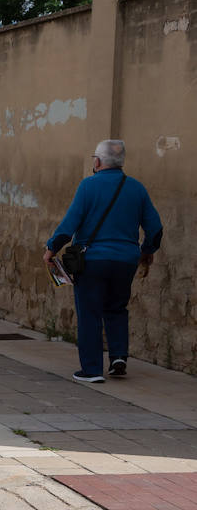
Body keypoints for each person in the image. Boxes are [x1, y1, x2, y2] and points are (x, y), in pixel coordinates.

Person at [43, 139, 162, 383]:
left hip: (93, 259)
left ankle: (92, 370)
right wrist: (147, 250)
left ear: (97, 162)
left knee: (90, 312)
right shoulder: (137, 188)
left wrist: (51, 248)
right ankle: (118, 357)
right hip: (126, 260)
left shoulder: (88, 186)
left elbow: (71, 223)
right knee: (117, 308)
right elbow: (155, 228)